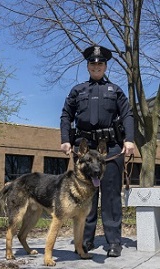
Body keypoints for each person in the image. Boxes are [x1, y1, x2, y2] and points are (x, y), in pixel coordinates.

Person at [60, 44, 135, 257]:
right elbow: (66, 115)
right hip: (84, 150)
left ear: (105, 66)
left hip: (109, 149)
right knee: (85, 196)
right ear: (87, 66)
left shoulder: (115, 91)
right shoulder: (77, 90)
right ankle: (85, 241)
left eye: (100, 63)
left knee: (111, 197)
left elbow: (128, 115)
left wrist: (129, 140)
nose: (96, 66)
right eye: (93, 63)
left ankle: (114, 243)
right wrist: (66, 139)